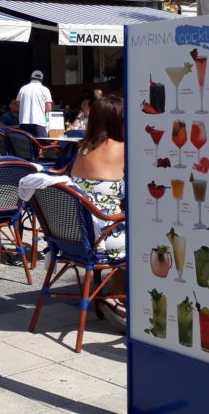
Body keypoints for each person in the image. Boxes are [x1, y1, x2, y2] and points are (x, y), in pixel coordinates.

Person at [70, 95, 127, 324]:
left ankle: (109, 291)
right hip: (101, 236)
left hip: (75, 234)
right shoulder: (122, 149)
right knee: (148, 238)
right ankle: (116, 297)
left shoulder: (82, 149)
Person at [16, 70, 52, 137]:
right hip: (39, 123)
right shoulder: (45, 89)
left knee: (26, 145)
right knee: (43, 145)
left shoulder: (23, 89)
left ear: (31, 78)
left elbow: (18, 105)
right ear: (42, 79)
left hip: (24, 123)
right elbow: (49, 109)